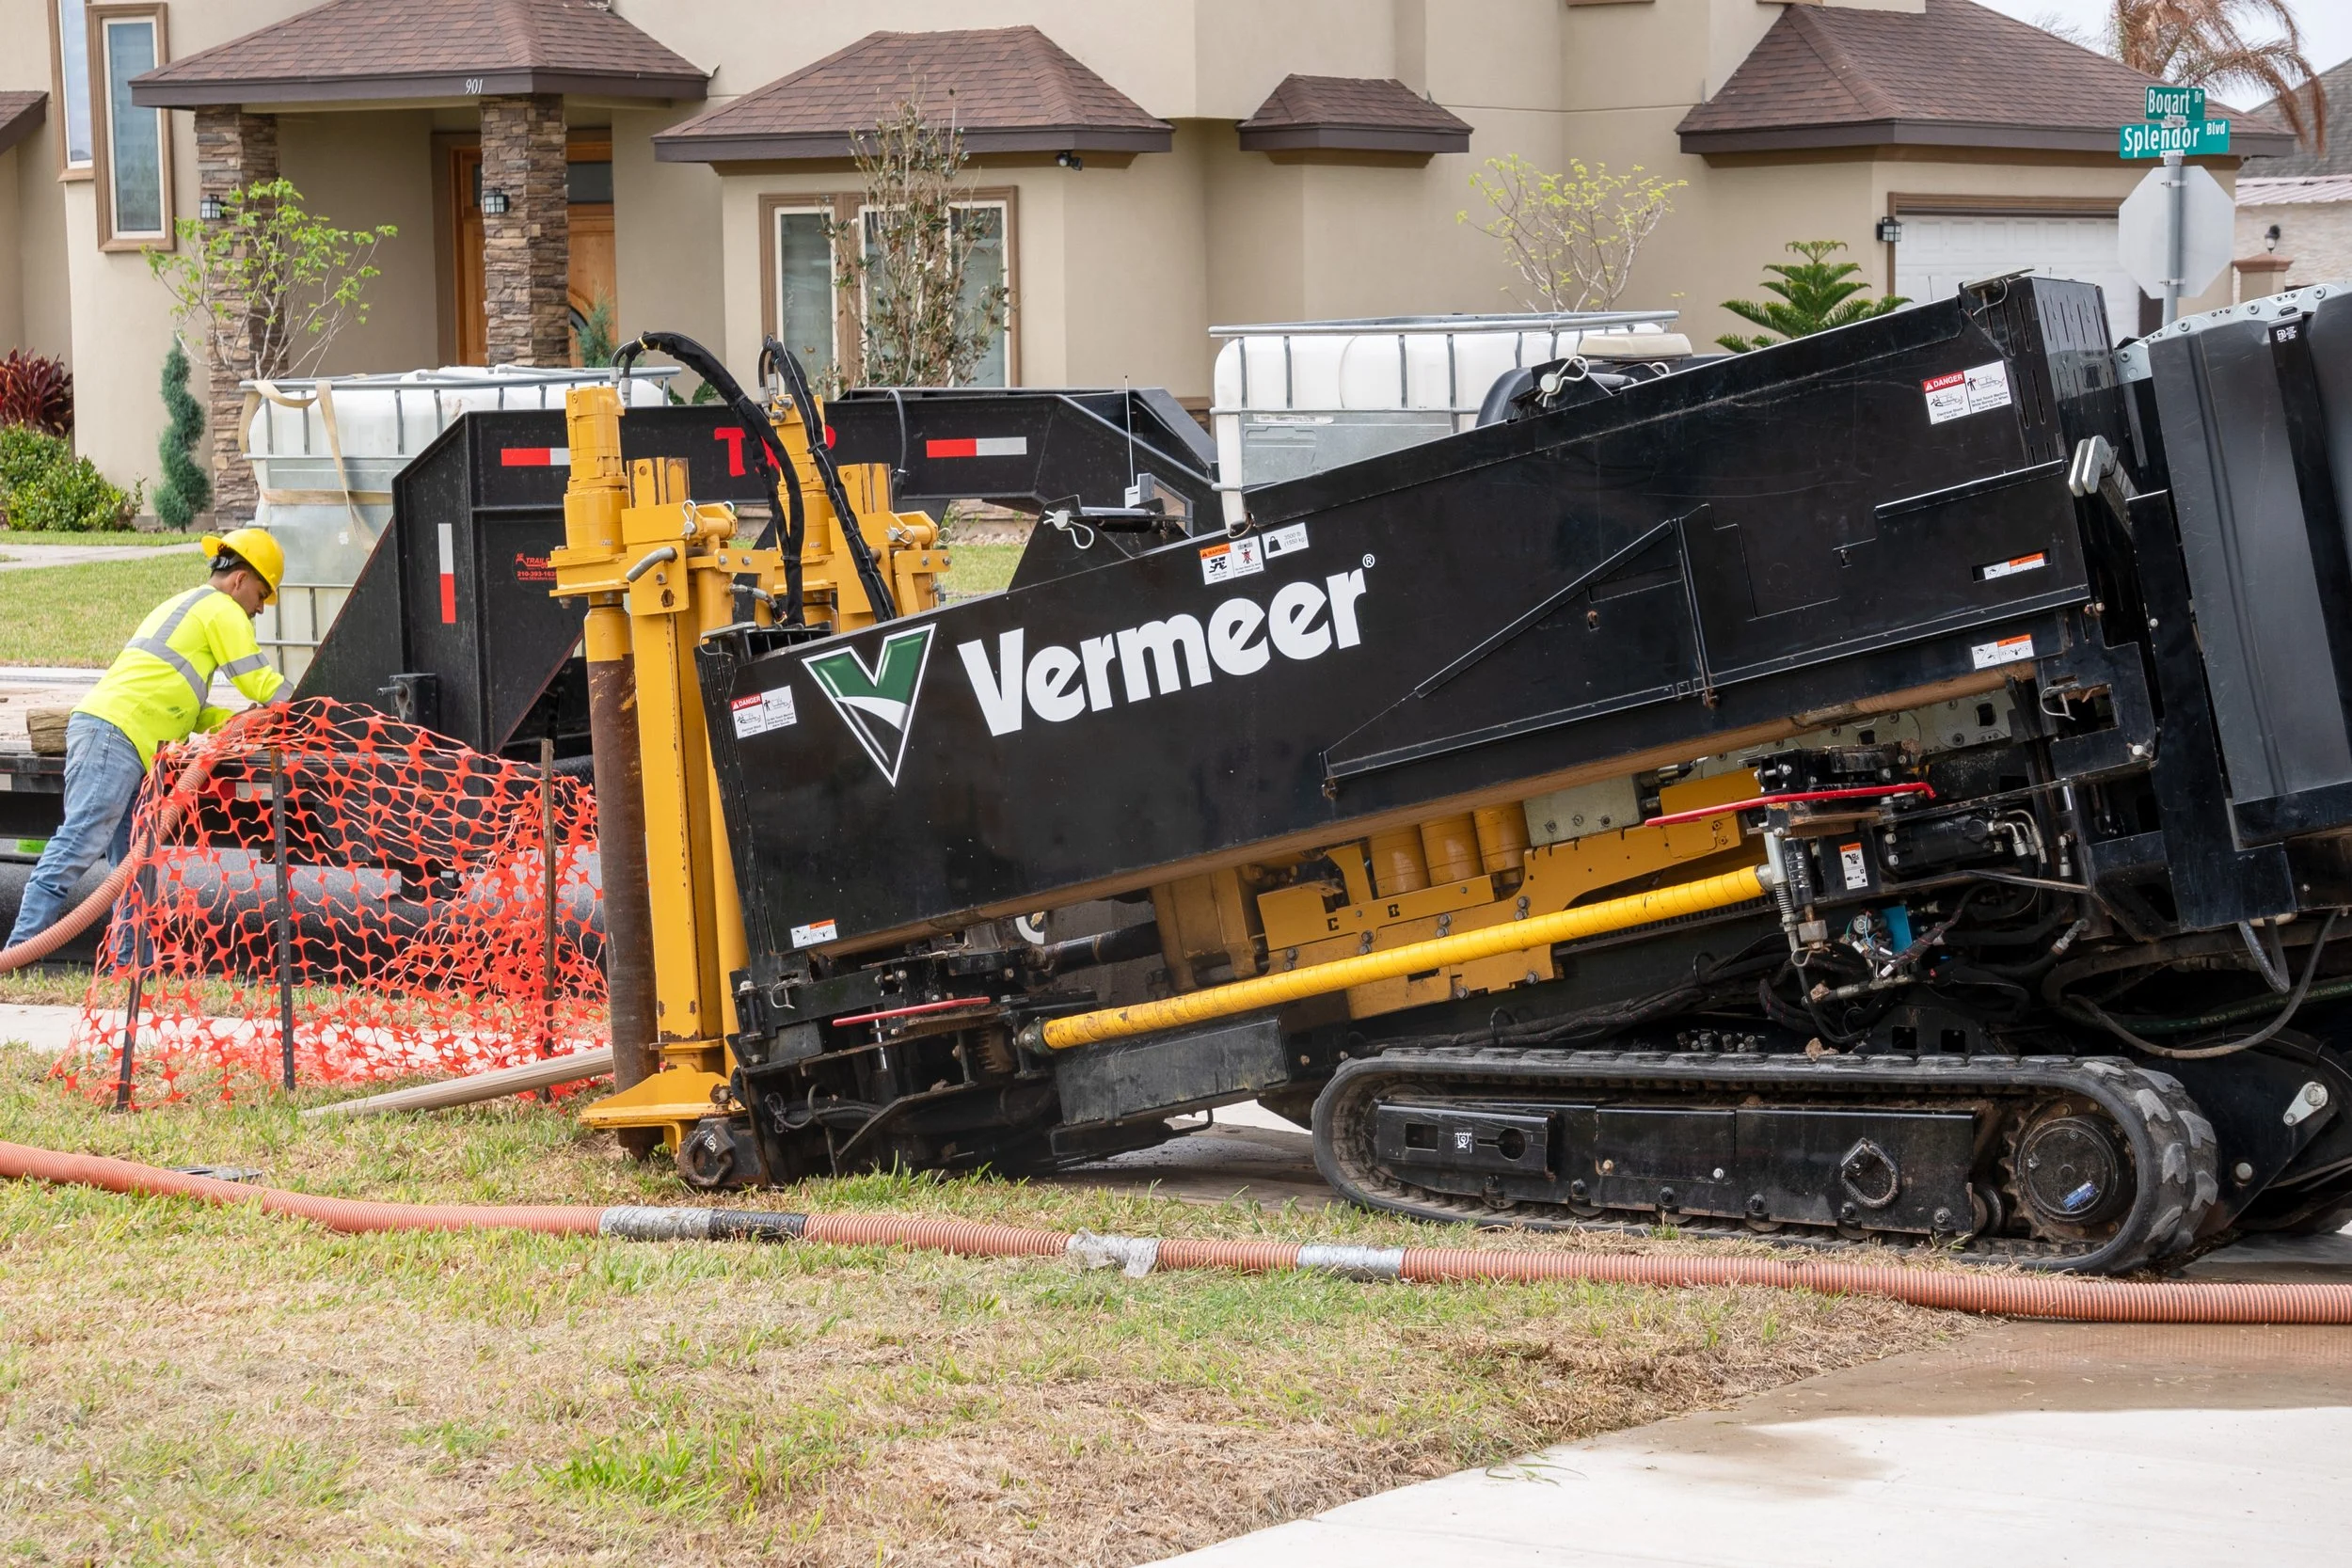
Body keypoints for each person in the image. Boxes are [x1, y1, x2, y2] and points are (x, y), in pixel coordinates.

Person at [5, 528, 289, 950]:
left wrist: (238, 722)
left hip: (121, 738)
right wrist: (300, 706)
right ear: (240, 579)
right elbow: (257, 680)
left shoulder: (184, 605)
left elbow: (187, 707)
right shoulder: (221, 610)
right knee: (80, 844)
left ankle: (128, 964)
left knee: (134, 863)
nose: (260, 609)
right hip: (115, 737)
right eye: (262, 594)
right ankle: (19, 951)